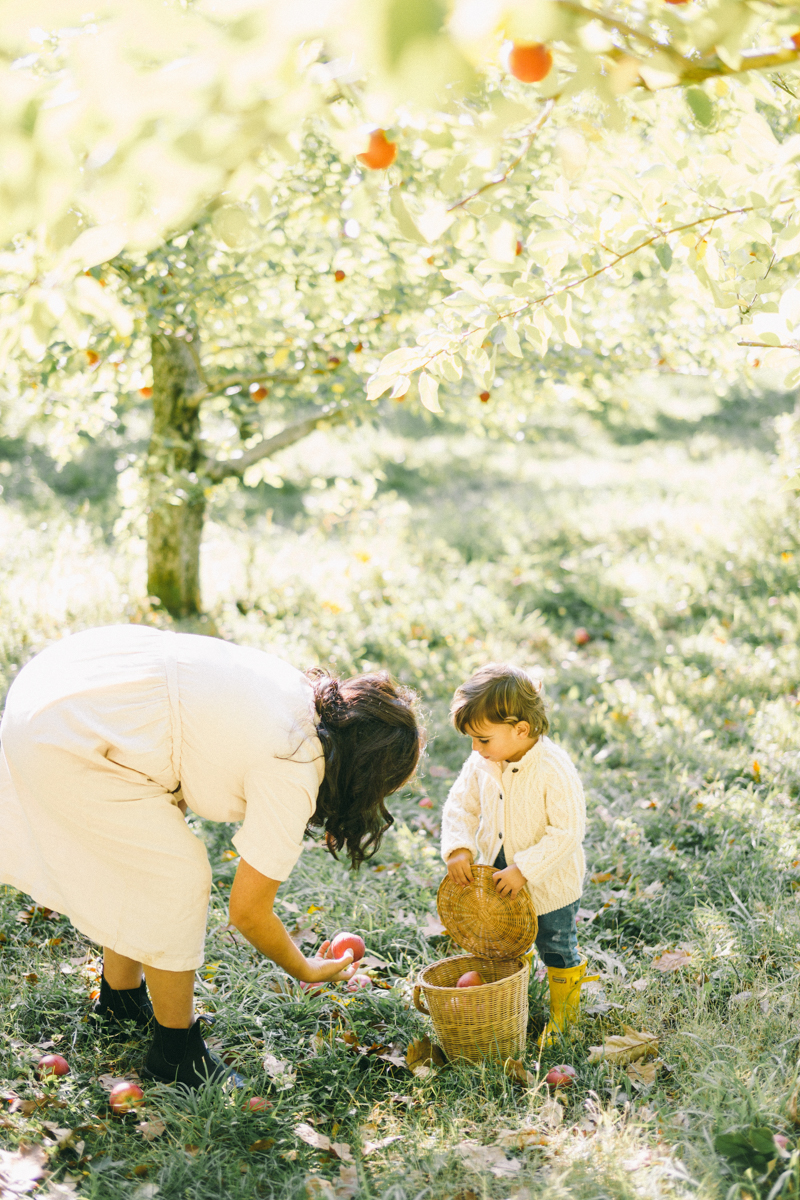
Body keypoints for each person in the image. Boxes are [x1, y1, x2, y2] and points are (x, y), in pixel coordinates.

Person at [0, 624, 422, 1087]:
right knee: (178, 876)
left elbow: (180, 729)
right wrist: (306, 968)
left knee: (147, 860)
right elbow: (247, 913)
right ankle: (176, 1056)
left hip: (70, 677)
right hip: (66, 728)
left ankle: (119, 999)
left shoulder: (297, 695)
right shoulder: (297, 766)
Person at [440, 663, 592, 1045]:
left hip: (548, 885)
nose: (475, 749)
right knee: (505, 945)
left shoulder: (553, 768)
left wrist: (524, 869)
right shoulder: (482, 763)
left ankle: (564, 1016)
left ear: (520, 729)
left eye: (483, 739)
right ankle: (511, 1004)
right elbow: (460, 805)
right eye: (472, 740)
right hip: (497, 882)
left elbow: (568, 831)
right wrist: (459, 846)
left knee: (556, 945)